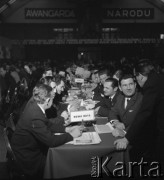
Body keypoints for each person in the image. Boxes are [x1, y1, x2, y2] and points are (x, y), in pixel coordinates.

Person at [11, 84, 83, 179]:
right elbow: (51, 141)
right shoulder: (35, 115)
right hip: (29, 157)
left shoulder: (35, 106)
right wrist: (71, 135)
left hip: (27, 148)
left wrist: (66, 129)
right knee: (62, 161)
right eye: (52, 99)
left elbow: (48, 124)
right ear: (48, 101)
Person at [114, 60, 164, 174]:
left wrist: (127, 139)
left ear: (140, 76)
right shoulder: (158, 78)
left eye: (134, 81)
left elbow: (144, 113)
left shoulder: (151, 85)